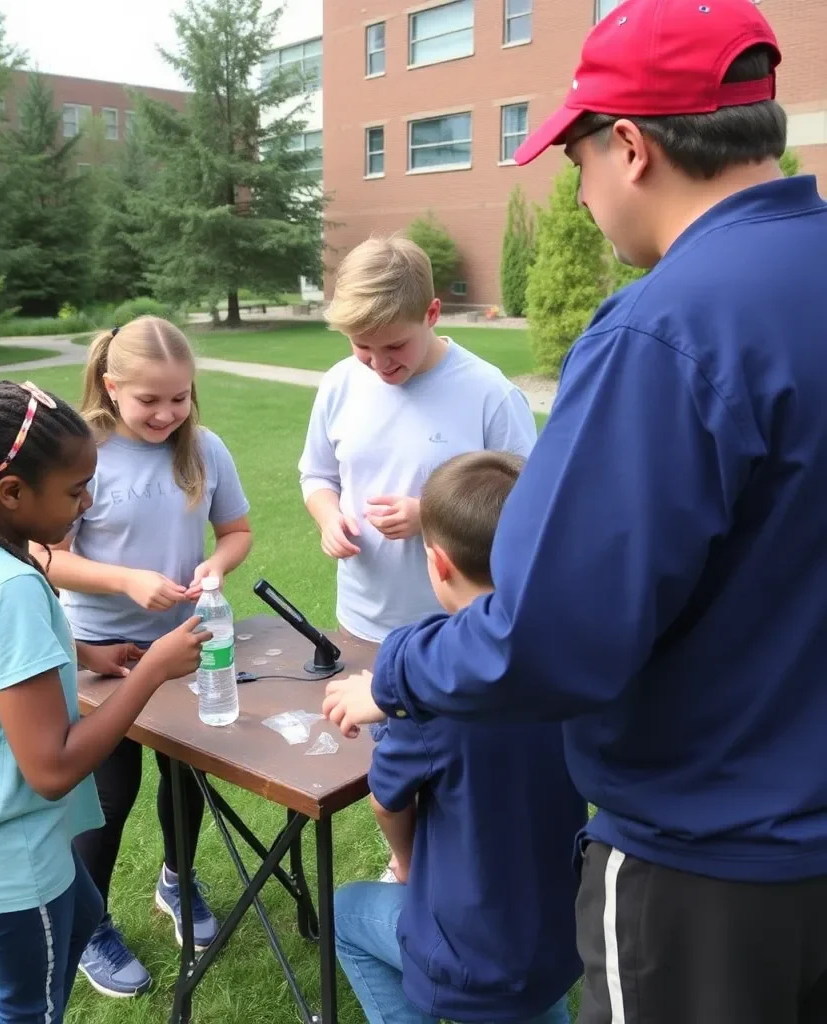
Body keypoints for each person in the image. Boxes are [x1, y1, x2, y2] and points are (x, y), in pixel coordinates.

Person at [324, 1, 827, 1022]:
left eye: (577, 161)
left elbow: (550, 638)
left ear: (630, 147)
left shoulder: (666, 327)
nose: (584, 190)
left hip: (710, 866)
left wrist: (400, 672)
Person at [0, 380, 209, 1023]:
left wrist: (83, 654)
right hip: (5, 855)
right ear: (12, 492)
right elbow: (51, 769)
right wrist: (152, 671)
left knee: (80, 919)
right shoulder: (6, 589)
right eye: (77, 491)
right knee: (26, 1008)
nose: (86, 506)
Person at [30, 317, 252, 998]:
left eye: (180, 398)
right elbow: (45, 555)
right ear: (110, 384)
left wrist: (214, 565)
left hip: (186, 648)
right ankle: (89, 922)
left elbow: (236, 531)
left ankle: (178, 880)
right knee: (108, 795)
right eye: (149, 400)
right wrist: (126, 580)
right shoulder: (83, 453)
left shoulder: (204, 450)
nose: (167, 413)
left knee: (186, 779)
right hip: (106, 659)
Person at [335, 451, 586, 1024]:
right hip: (561, 927)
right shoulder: (574, 656)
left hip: (472, 950)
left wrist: (405, 862)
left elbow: (386, 798)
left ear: (438, 563)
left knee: (347, 913)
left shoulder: (430, 693)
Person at [298, 235, 536, 648]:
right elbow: (316, 475)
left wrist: (430, 515)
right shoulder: (339, 383)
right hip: (359, 618)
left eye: (394, 345)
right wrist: (328, 519)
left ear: (432, 313)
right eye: (362, 346)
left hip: (455, 627)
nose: (379, 364)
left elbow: (527, 507)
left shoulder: (489, 394)